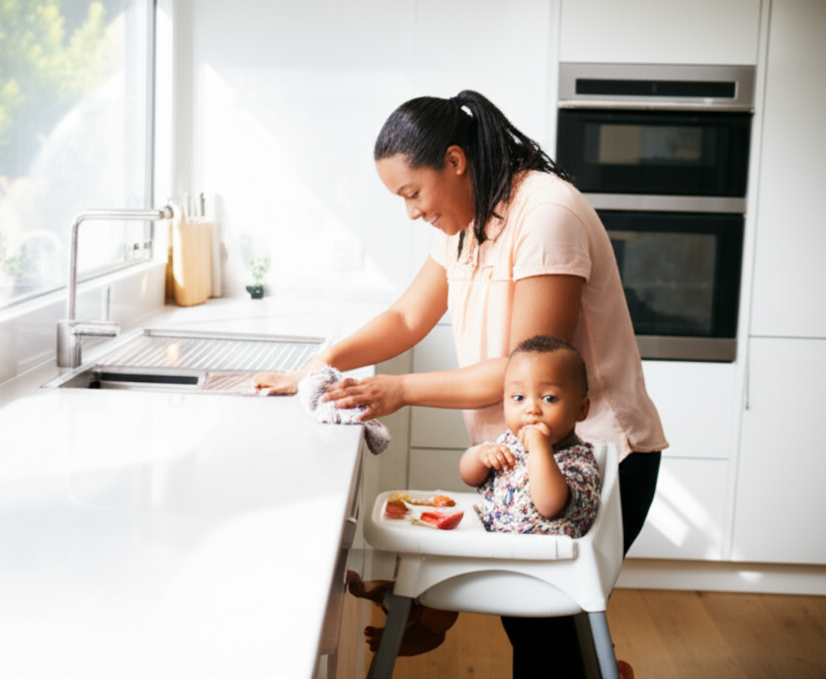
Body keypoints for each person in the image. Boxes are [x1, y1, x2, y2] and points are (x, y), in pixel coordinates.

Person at [254, 89, 666, 678]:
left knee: (542, 636)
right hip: (529, 457)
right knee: (541, 633)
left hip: (594, 459)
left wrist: (399, 390)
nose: (412, 212)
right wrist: (323, 362)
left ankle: (442, 614)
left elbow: (523, 373)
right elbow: (405, 318)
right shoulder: (466, 224)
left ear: (454, 161)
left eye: (412, 193)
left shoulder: (546, 215)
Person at [460, 335, 599, 539]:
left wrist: (538, 447)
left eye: (549, 398)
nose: (531, 409)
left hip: (543, 562)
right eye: (518, 398)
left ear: (581, 410)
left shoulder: (579, 462)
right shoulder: (509, 443)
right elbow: (469, 477)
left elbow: (549, 505)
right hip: (492, 548)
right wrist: (480, 455)